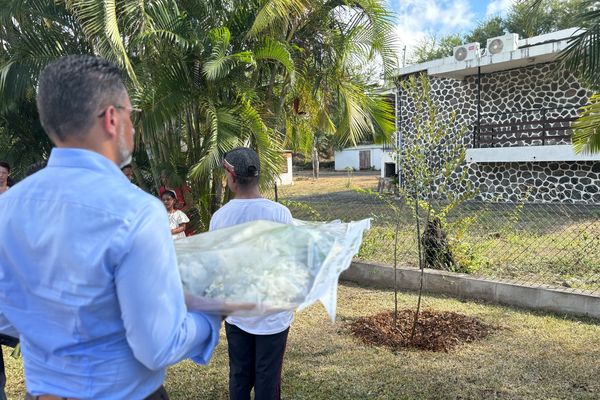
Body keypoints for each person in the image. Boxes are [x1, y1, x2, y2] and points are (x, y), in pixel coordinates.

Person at [0, 55, 221, 399]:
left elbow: (5, 318)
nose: (133, 128)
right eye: (131, 116)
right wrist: (210, 314)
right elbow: (158, 345)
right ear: (112, 119)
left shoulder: (7, 208)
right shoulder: (136, 211)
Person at [210, 147, 293, 400]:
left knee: (240, 376)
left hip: (237, 314)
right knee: (268, 380)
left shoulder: (220, 218)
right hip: (274, 315)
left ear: (232, 178)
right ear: (257, 176)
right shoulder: (281, 214)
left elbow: (217, 267)